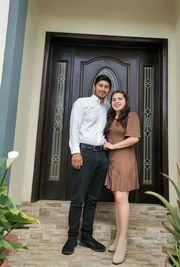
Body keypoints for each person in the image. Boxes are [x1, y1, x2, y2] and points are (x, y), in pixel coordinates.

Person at [62, 74, 111, 255]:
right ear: (94, 87)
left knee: (92, 198)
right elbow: (73, 127)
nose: (103, 89)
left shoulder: (107, 107)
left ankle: (87, 237)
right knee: (78, 199)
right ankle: (72, 237)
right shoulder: (81, 103)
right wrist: (75, 151)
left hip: (101, 156)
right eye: (100, 85)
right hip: (84, 153)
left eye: (106, 87)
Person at [103, 90, 140, 265]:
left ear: (126, 101)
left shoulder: (131, 116)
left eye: (120, 99)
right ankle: (118, 236)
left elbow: (134, 138)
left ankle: (123, 241)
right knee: (117, 200)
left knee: (121, 197)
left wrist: (113, 145)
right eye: (114, 99)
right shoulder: (111, 119)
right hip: (113, 161)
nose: (117, 101)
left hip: (125, 160)